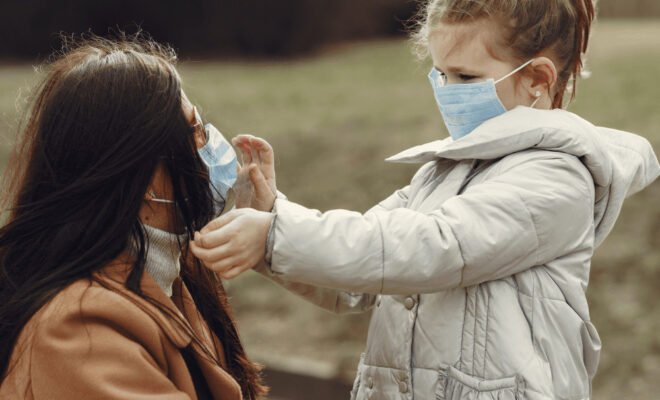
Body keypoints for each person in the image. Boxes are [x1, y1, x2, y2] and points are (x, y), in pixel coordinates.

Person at [191, 1, 660, 399]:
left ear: (537, 78)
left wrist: (275, 237)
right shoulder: (442, 172)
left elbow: (431, 247)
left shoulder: (555, 178)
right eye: (439, 74)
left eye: (465, 76)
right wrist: (272, 214)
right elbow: (360, 276)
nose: (447, 92)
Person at [0, 36, 267, 399]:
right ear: (143, 174)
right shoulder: (78, 328)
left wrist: (270, 233)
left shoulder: (173, 276)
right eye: (195, 131)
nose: (210, 144)